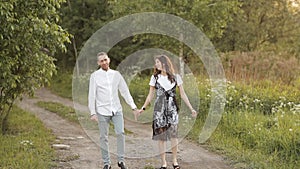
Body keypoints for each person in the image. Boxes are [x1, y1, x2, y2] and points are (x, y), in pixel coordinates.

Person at [137, 55, 197, 169]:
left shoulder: (176, 77)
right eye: (156, 63)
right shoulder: (154, 78)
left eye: (158, 62)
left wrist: (191, 108)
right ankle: (164, 163)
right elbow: (150, 95)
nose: (156, 65)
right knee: (161, 136)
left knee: (174, 135)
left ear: (164, 63)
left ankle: (175, 161)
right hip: (159, 110)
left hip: (172, 109)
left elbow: (183, 94)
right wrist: (143, 108)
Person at [88, 52, 139, 169]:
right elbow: (92, 95)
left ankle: (121, 161)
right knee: (103, 137)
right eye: (101, 61)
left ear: (109, 60)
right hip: (102, 110)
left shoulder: (116, 74)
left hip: (116, 109)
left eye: (105, 60)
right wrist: (93, 112)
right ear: (98, 63)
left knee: (120, 133)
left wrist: (133, 107)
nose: (104, 62)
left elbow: (125, 91)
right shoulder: (95, 76)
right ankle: (107, 163)